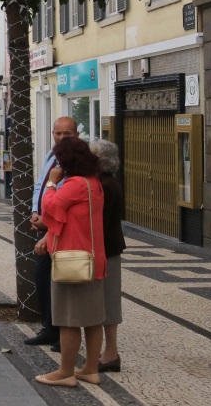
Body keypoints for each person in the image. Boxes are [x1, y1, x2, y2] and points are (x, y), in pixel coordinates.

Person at [32, 136, 107, 387]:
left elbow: (50, 208)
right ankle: (90, 369)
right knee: (92, 318)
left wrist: (52, 183)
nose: (57, 165)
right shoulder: (93, 183)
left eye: (59, 160)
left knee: (68, 319)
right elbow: (67, 219)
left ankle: (65, 372)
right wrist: (49, 236)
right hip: (93, 258)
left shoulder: (73, 184)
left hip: (72, 260)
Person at [25, 116, 78, 350]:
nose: (61, 138)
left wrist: (49, 229)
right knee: (43, 279)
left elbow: (67, 202)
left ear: (76, 135)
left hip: (61, 231)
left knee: (62, 284)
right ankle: (49, 328)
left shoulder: (77, 162)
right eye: (58, 133)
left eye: (67, 134)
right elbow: (40, 184)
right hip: (45, 226)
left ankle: (62, 335)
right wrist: (35, 212)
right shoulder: (51, 156)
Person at [90, 139, 126, 373]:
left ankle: (111, 353)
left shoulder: (106, 185)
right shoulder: (105, 182)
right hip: (107, 248)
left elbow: (98, 222)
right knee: (105, 300)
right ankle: (107, 352)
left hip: (107, 250)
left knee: (109, 301)